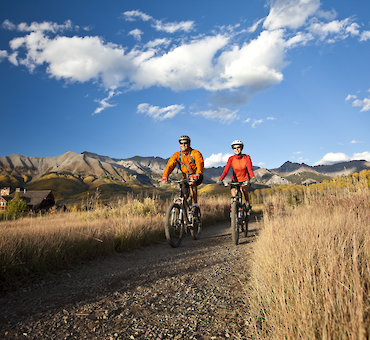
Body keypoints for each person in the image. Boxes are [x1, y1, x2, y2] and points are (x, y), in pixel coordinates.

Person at [162, 135, 204, 214]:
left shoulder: (195, 153)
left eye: (186, 143)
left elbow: (200, 163)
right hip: (185, 178)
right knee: (183, 197)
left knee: (192, 183)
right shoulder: (177, 155)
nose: (183, 145)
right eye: (181, 143)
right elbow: (170, 165)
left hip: (197, 176)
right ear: (179, 144)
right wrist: (165, 176)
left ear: (189, 144)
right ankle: (184, 220)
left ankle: (195, 204)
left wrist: (198, 173)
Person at [218, 140, 255, 210]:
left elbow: (250, 169)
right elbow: (226, 170)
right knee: (234, 195)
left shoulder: (246, 157)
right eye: (234, 148)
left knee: (243, 190)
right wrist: (221, 179)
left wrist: (252, 177)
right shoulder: (231, 158)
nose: (236, 149)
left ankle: (247, 203)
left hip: (245, 179)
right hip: (235, 180)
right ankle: (234, 210)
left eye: (238, 147)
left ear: (242, 148)